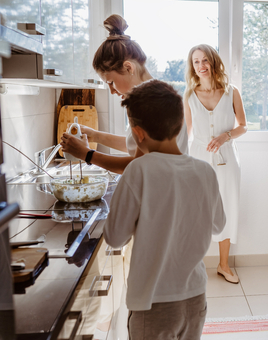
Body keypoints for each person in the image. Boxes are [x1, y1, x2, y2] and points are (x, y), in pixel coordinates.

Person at [104, 79, 225, 339]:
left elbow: (115, 238)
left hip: (153, 303)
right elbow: (218, 225)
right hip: (195, 297)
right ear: (180, 123)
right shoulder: (205, 171)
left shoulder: (138, 171)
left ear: (137, 133)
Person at [60, 14, 189, 173]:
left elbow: (138, 165)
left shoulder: (149, 101)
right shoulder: (157, 94)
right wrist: (94, 135)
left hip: (163, 188)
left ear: (129, 68)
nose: (112, 91)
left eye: (111, 82)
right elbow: (138, 145)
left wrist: (87, 154)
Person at [184, 44, 247, 284]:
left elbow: (243, 125)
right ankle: (193, 267)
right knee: (196, 211)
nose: (200, 66)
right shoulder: (189, 95)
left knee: (227, 208)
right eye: (196, 62)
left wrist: (224, 136)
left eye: (204, 60)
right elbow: (186, 132)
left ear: (213, 62)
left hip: (227, 159)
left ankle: (223, 265)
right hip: (198, 159)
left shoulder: (232, 92)